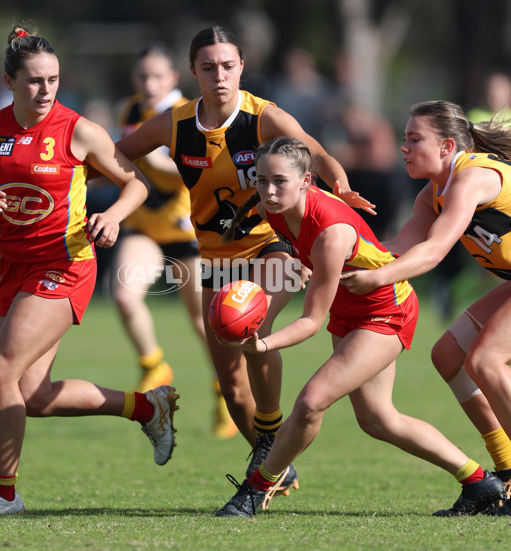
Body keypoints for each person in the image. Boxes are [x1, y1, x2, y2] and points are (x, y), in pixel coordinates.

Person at [115, 26, 374, 499]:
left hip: (271, 246)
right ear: (193, 71)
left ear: (241, 67)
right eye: (209, 67)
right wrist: (131, 188)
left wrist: (338, 182)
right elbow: (115, 154)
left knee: (250, 323)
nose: (219, 76)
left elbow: (314, 150)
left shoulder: (262, 117)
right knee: (233, 388)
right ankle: (273, 460)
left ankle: (271, 436)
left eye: (228, 65)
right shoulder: (173, 124)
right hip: (215, 258)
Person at [0, 25, 179, 517]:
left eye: (53, 79)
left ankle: (3, 494)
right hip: (15, 269)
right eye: (34, 80)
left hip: (66, 263)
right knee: (32, 395)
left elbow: (134, 184)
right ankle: (147, 407)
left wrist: (113, 216)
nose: (46, 89)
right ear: (10, 82)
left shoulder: (76, 129)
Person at [215, 136, 505, 517]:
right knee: (378, 419)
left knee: (311, 401)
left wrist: (263, 345)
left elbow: (311, 321)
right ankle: (480, 483)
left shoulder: (330, 231)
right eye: (262, 180)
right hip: (350, 311)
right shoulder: (276, 210)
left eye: (279, 181)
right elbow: (298, 266)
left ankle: (255, 490)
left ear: (306, 181)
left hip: (386, 311)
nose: (268, 191)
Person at [340, 100, 511, 515]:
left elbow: (433, 251)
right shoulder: (432, 192)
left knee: (486, 361)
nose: (404, 147)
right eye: (404, 138)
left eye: (415, 139)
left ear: (447, 146)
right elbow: (395, 250)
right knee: (448, 355)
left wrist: (379, 278)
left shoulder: (470, 178)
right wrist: (330, 252)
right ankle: (506, 469)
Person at [112, 42, 237, 438]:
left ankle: (225, 391)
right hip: (145, 227)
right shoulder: (131, 110)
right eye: (142, 76)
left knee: (205, 325)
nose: (149, 83)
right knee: (123, 295)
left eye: (157, 76)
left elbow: (181, 174)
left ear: (173, 77)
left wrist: (143, 156)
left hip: (187, 231)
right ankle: (153, 365)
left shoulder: (188, 114)